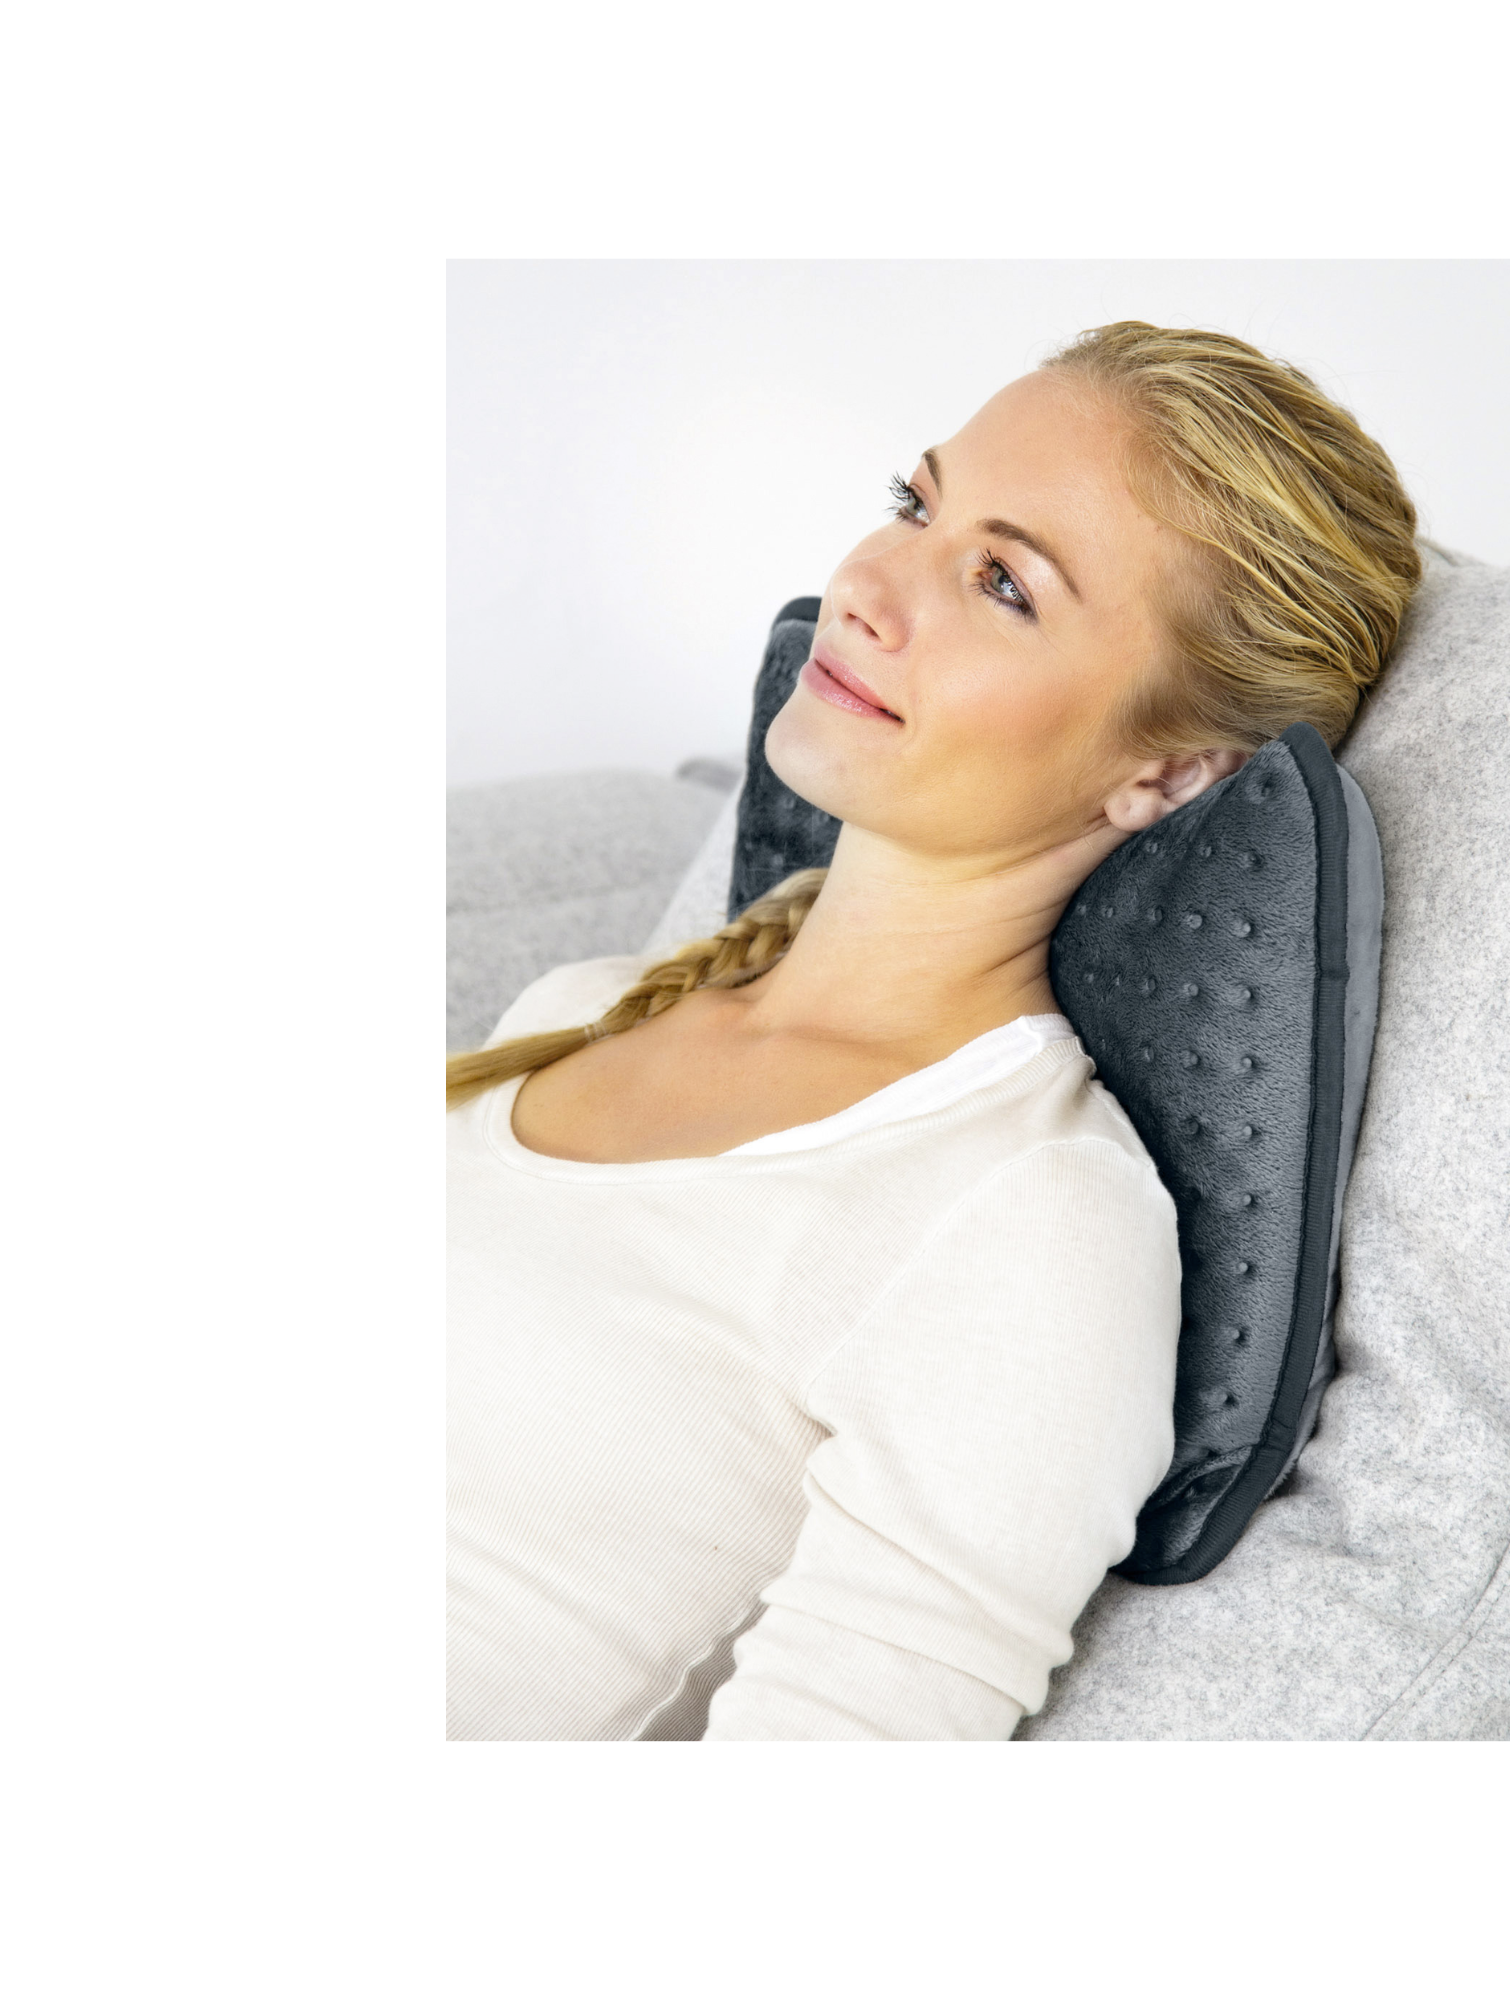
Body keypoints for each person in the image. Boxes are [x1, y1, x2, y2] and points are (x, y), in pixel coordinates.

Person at [445, 321, 1422, 1739]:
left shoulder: (1023, 1223)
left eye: (1003, 583)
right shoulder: (581, 1009)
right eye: (915, 504)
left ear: (1167, 772)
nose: (865, 587)